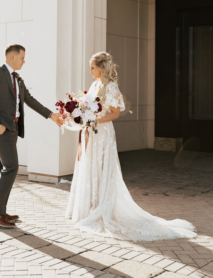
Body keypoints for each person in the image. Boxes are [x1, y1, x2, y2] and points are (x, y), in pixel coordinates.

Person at [65, 52, 196, 241]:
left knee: (103, 169)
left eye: (92, 67)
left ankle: (104, 208)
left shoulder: (111, 87)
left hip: (103, 133)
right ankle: (91, 207)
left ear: (101, 68)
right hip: (93, 133)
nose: (90, 70)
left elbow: (116, 113)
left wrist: (95, 119)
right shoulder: (94, 85)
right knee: (92, 167)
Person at [0, 44, 63, 228]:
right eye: (22, 58)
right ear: (12, 57)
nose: (24, 61)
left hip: (13, 130)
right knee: (11, 167)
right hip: (0, 130)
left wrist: (51, 115)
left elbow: (30, 100)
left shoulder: (18, 79)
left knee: (1, 169)